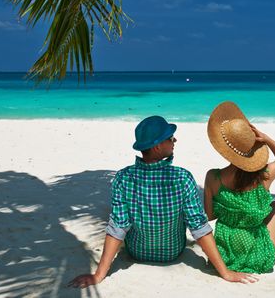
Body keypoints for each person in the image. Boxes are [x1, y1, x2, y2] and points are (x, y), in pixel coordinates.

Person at [69, 115, 257, 288]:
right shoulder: (182, 178)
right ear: (158, 146)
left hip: (137, 252)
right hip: (172, 253)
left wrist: (99, 275)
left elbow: (118, 226)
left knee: (122, 216)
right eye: (170, 138)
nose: (175, 141)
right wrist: (225, 272)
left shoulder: (123, 178)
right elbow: (198, 226)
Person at [204, 102, 275, 274]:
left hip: (224, 253)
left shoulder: (212, 177)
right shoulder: (264, 176)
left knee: (266, 207)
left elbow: (210, 215)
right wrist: (266, 138)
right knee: (274, 206)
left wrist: (234, 211)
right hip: (257, 254)